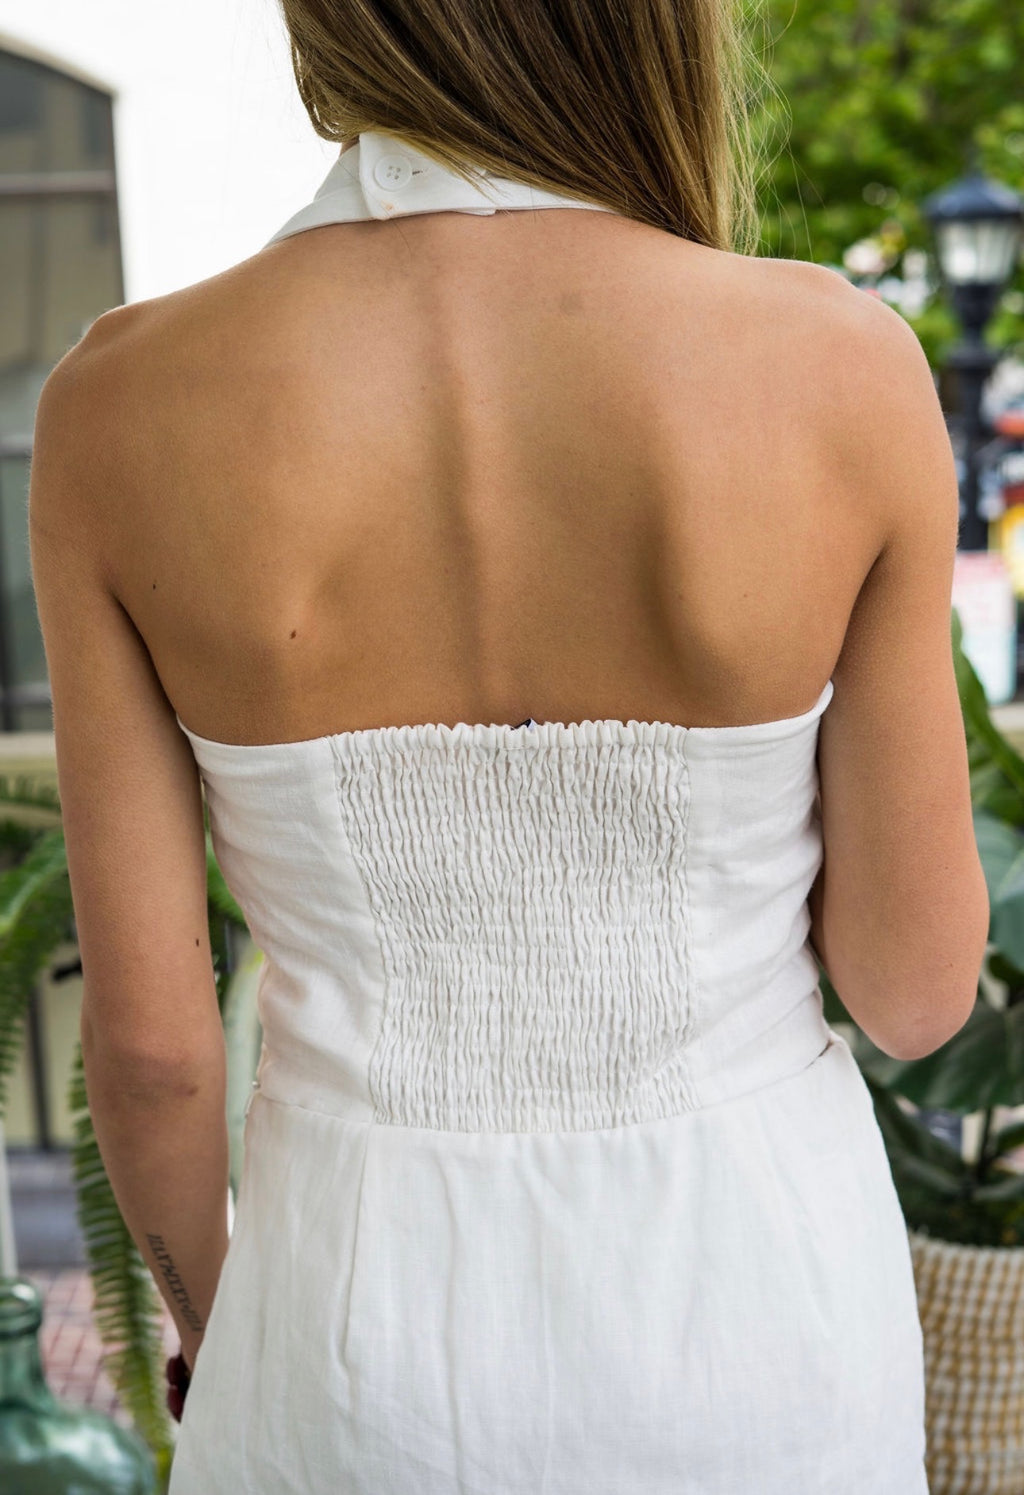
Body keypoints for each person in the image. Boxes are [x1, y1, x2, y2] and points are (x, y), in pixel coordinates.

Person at [27, 0, 990, 1489]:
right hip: (761, 1312)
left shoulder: (119, 403)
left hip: (348, 1328)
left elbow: (152, 1054)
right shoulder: (838, 367)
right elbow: (916, 993)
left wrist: (221, 1333)